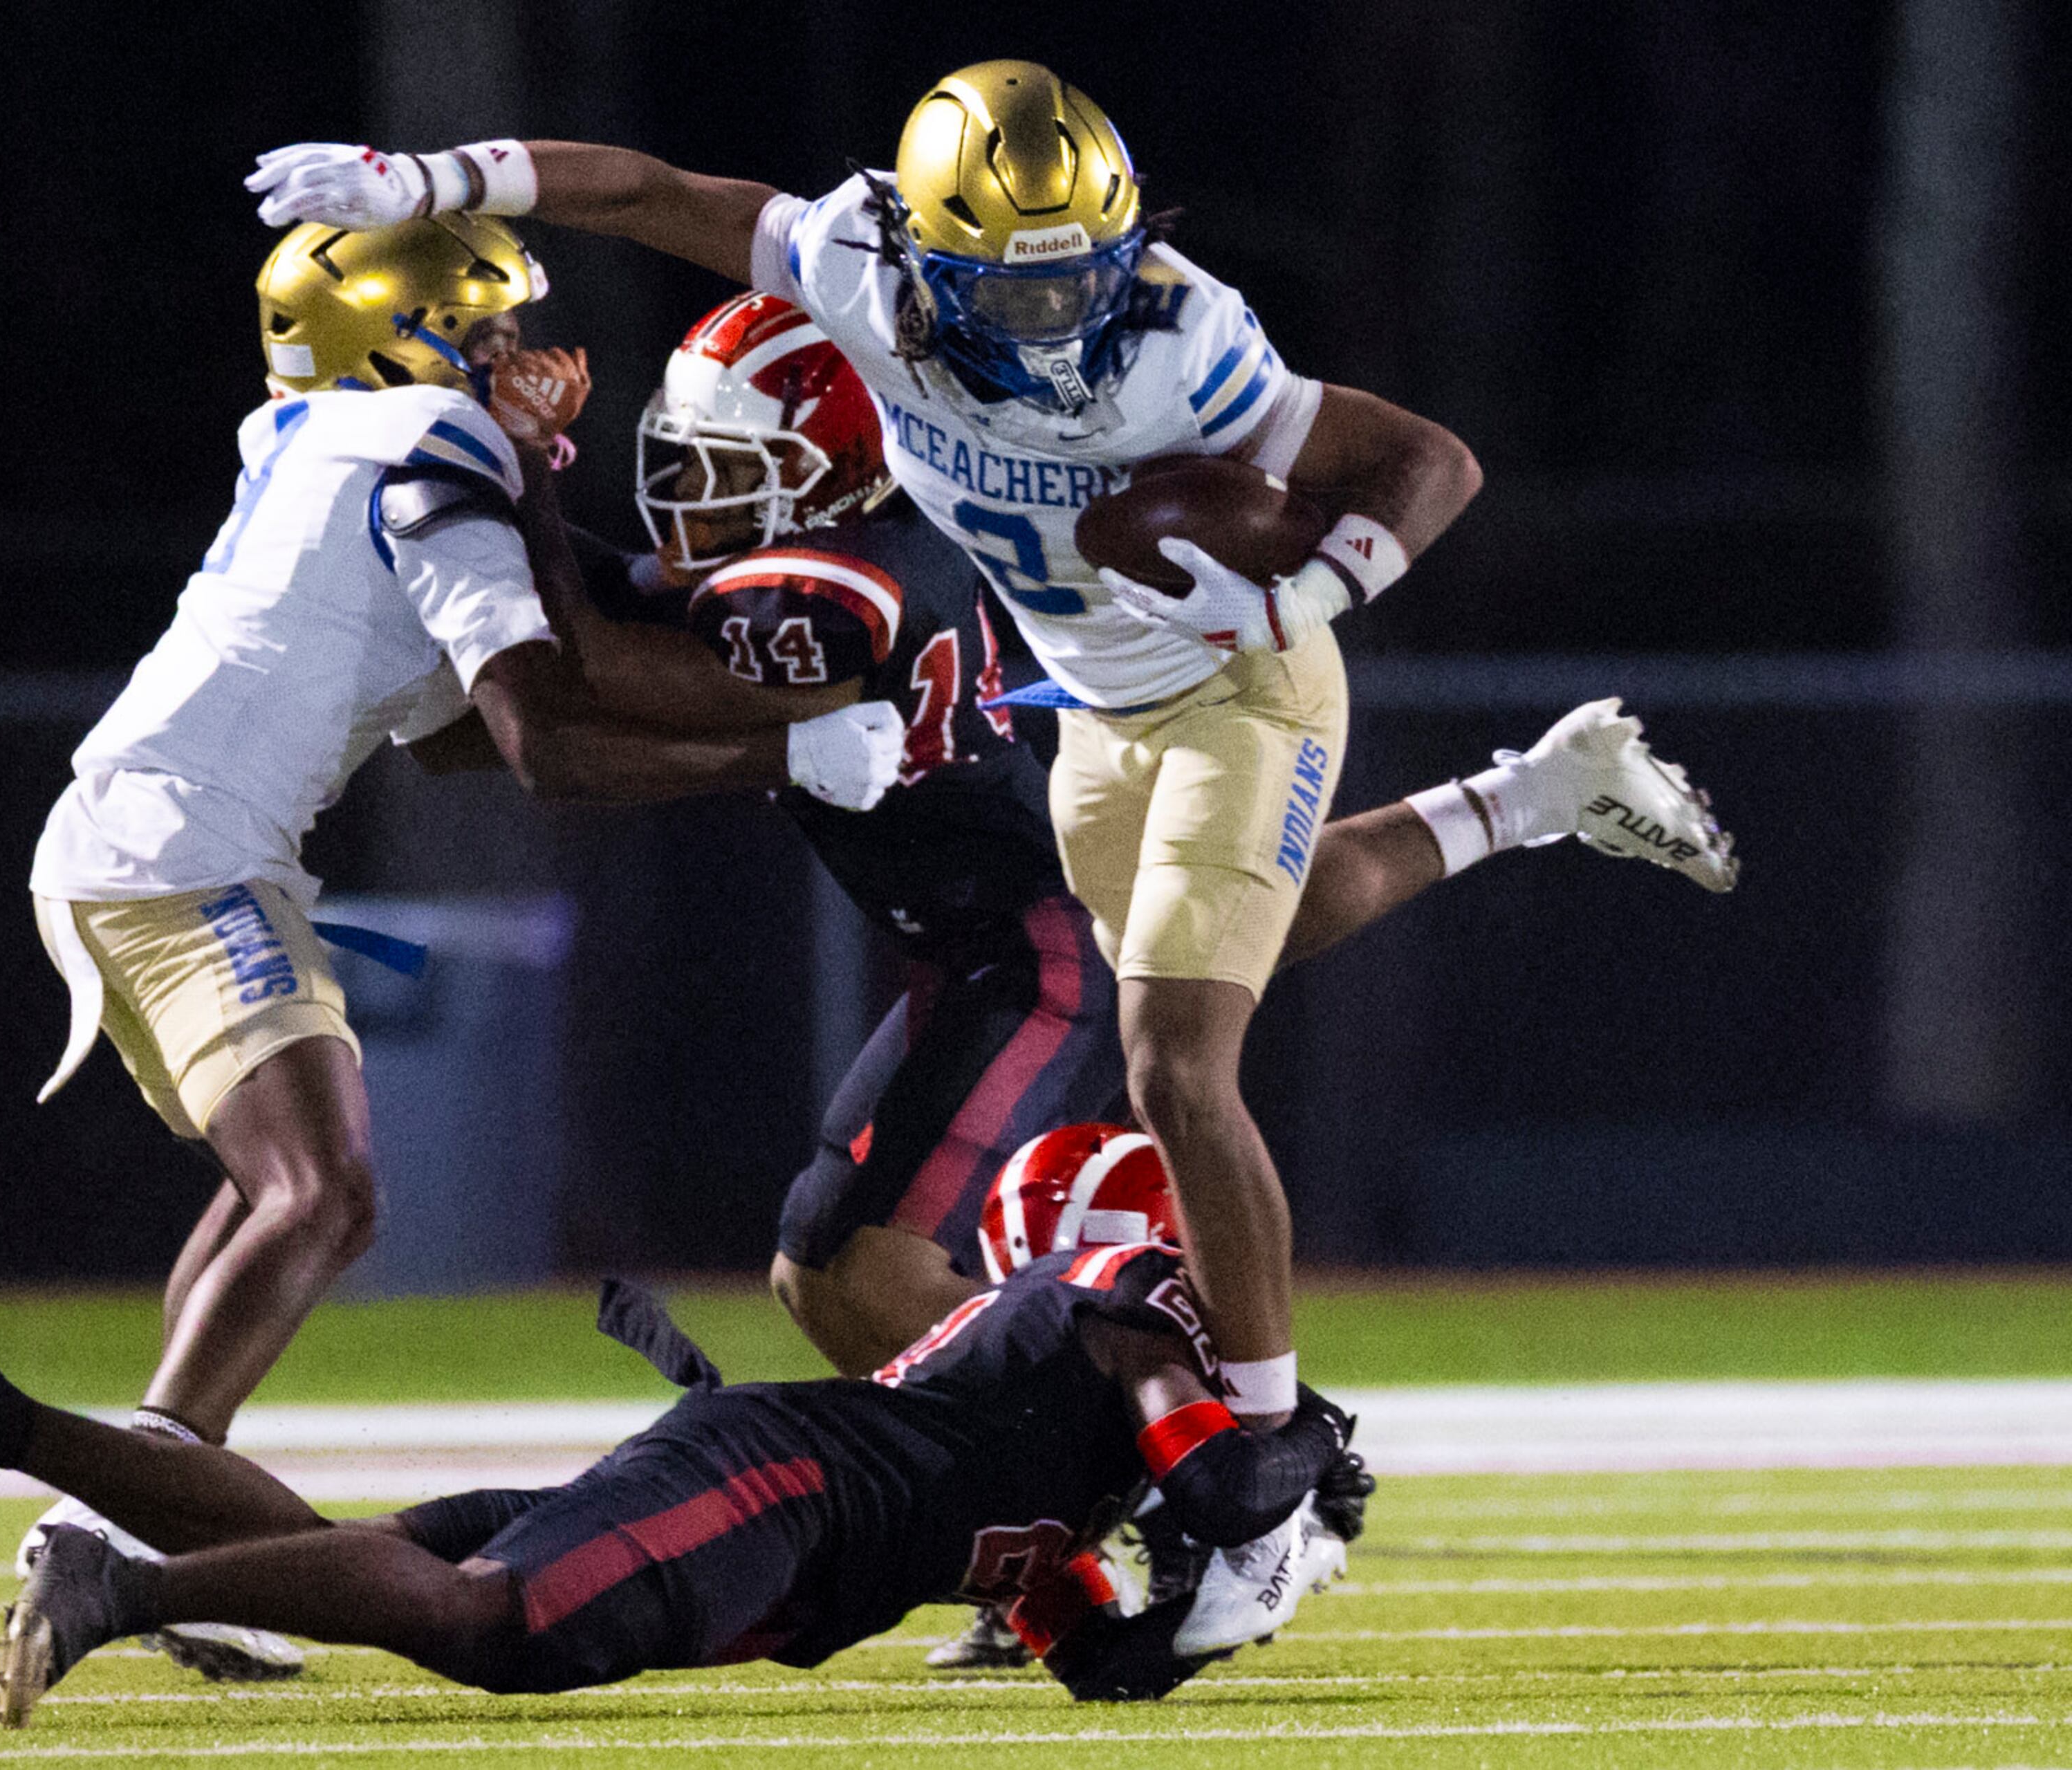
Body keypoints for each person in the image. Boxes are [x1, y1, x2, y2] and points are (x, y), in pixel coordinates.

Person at [242, 70, 1732, 1469]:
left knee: (1094, 1111)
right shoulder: (851, 276)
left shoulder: (1120, 379)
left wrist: (1298, 594)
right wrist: (426, 181)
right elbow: (641, 190)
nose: (1055, 310)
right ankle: (1529, 795)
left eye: (1077, 271)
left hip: (1177, 740)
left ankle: (1252, 1457)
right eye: (1015, 282)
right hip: (1091, 717)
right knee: (1227, 926)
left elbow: (573, 718)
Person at [599, 291, 1735, 1668]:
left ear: (834, 460)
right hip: (1016, 889)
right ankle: (1526, 796)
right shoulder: (865, 538)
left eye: (728, 466)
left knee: (853, 1266)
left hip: (1015, 942)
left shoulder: (834, 581)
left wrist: (482, 540)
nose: (690, 496)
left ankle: (1210, 1470)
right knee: (1264, 917)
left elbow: (604, 696)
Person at [0, 216, 903, 1681]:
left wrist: (751, 704)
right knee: (325, 1189)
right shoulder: (428, 438)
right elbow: (544, 733)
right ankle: (134, 1506)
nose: (533, 368)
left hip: (157, 838)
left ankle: (167, 1509)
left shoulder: (320, 437)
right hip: (186, 851)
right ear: (410, 346)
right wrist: (787, 748)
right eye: (494, 341)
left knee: (276, 1192)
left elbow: (458, 739)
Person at [0, 1204, 1370, 1724]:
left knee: (394, 1563)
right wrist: (1299, 1456)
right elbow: (1230, 1485)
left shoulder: (1077, 1476)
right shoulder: (1137, 1317)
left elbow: (1095, 1659)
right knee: (490, 1623)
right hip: (778, 1489)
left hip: (768, 1504)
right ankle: (116, 1580)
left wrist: (1200, 1621)